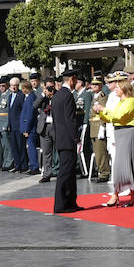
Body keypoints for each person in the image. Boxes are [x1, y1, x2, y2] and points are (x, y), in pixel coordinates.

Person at [95, 74, 134, 205]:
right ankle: (129, 193)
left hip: (127, 132)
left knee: (125, 164)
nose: (116, 90)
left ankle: (117, 194)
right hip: (120, 133)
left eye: (118, 88)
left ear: (124, 89)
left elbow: (119, 116)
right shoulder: (121, 102)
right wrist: (101, 113)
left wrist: (104, 109)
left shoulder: (130, 101)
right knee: (124, 164)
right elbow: (111, 118)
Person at [51, 69, 81, 213]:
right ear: (72, 79)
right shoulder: (68, 96)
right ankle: (62, 204)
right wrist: (76, 137)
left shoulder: (57, 96)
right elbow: (70, 120)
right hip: (68, 139)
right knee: (66, 173)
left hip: (60, 138)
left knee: (68, 172)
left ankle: (70, 203)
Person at [6, 77, 26, 172]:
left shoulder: (21, 95)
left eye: (15, 85)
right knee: (14, 146)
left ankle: (23, 165)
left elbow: (23, 111)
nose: (13, 87)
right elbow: (10, 111)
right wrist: (8, 124)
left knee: (21, 146)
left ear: (18, 86)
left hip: (19, 124)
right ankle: (17, 165)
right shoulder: (10, 96)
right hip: (12, 125)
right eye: (12, 86)